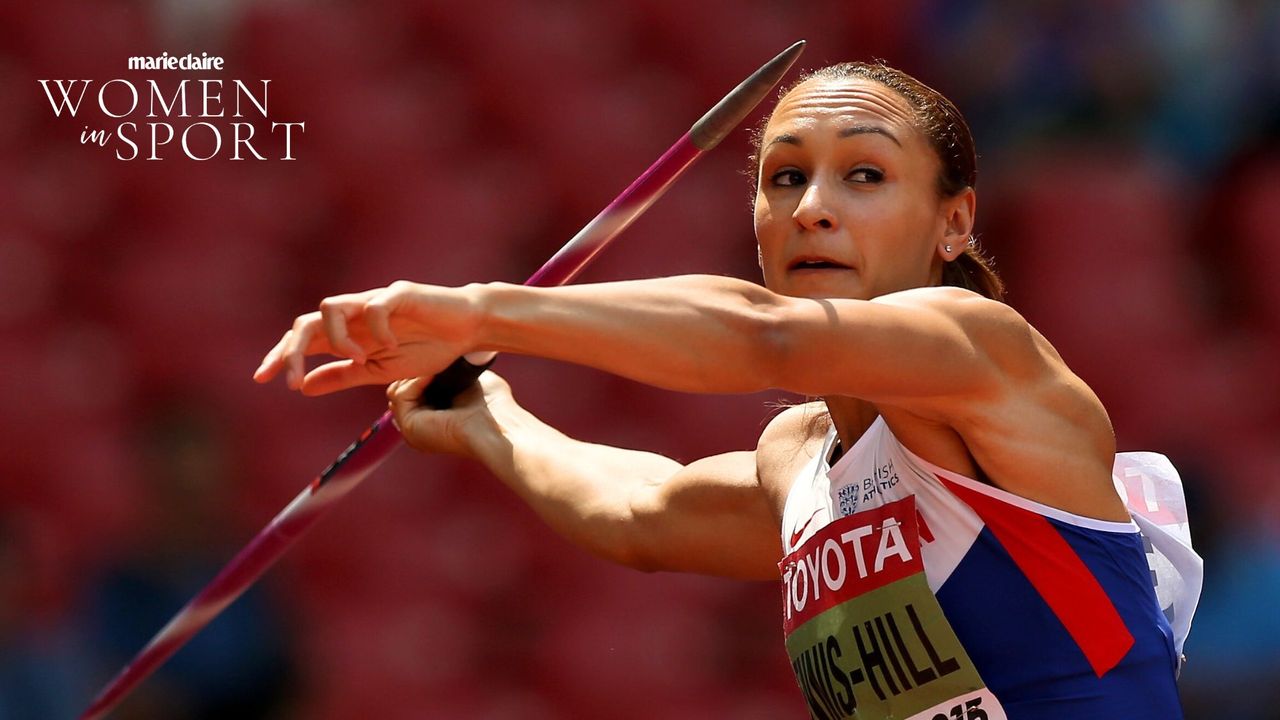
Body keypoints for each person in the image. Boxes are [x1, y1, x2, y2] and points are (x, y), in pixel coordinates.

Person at [254, 62, 1200, 719]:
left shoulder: (982, 351)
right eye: (784, 179)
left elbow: (764, 335)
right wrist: (485, 418)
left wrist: (482, 314)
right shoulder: (803, 459)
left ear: (954, 222)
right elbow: (647, 514)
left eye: (864, 175)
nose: (812, 207)